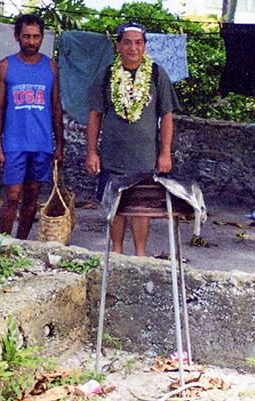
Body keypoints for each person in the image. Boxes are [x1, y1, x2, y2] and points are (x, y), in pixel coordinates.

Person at [85, 21, 181, 256]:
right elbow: (95, 114)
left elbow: (167, 116)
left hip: (145, 159)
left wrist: (165, 152)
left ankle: (140, 255)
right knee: (116, 207)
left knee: (141, 208)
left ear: (145, 46)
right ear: (118, 46)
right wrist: (91, 152)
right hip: (112, 157)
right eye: (127, 42)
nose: (133, 48)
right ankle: (116, 252)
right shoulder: (107, 75)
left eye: (138, 43)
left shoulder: (156, 74)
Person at [0, 14, 64, 239]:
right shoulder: (5, 66)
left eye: (36, 37)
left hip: (41, 145)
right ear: (17, 36)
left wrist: (59, 145)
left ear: (42, 37)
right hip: (14, 143)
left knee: (32, 197)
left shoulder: (50, 67)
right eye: (26, 36)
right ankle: (2, 244)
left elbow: (55, 107)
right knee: (13, 196)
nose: (31, 42)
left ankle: (21, 244)